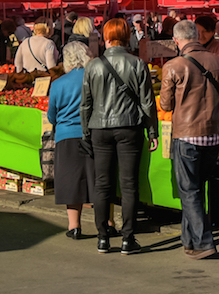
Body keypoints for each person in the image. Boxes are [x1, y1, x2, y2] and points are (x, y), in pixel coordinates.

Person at [160, 20, 219, 260]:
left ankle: (204, 242)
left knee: (189, 189)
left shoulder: (173, 66)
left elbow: (164, 104)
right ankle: (190, 240)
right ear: (197, 36)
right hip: (214, 134)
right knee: (196, 188)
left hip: (187, 134)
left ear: (176, 40)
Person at [80, 18, 158, 255]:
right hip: (129, 127)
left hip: (99, 128)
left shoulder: (93, 66)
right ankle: (128, 238)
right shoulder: (137, 64)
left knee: (102, 184)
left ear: (106, 37)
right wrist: (152, 130)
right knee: (129, 184)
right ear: (126, 37)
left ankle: (103, 237)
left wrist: (85, 132)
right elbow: (147, 102)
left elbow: (86, 104)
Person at [48, 42, 98, 239]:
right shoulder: (94, 78)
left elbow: (52, 115)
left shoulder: (58, 84)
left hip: (66, 136)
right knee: (97, 179)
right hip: (93, 134)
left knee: (70, 181)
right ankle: (106, 222)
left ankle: (74, 226)